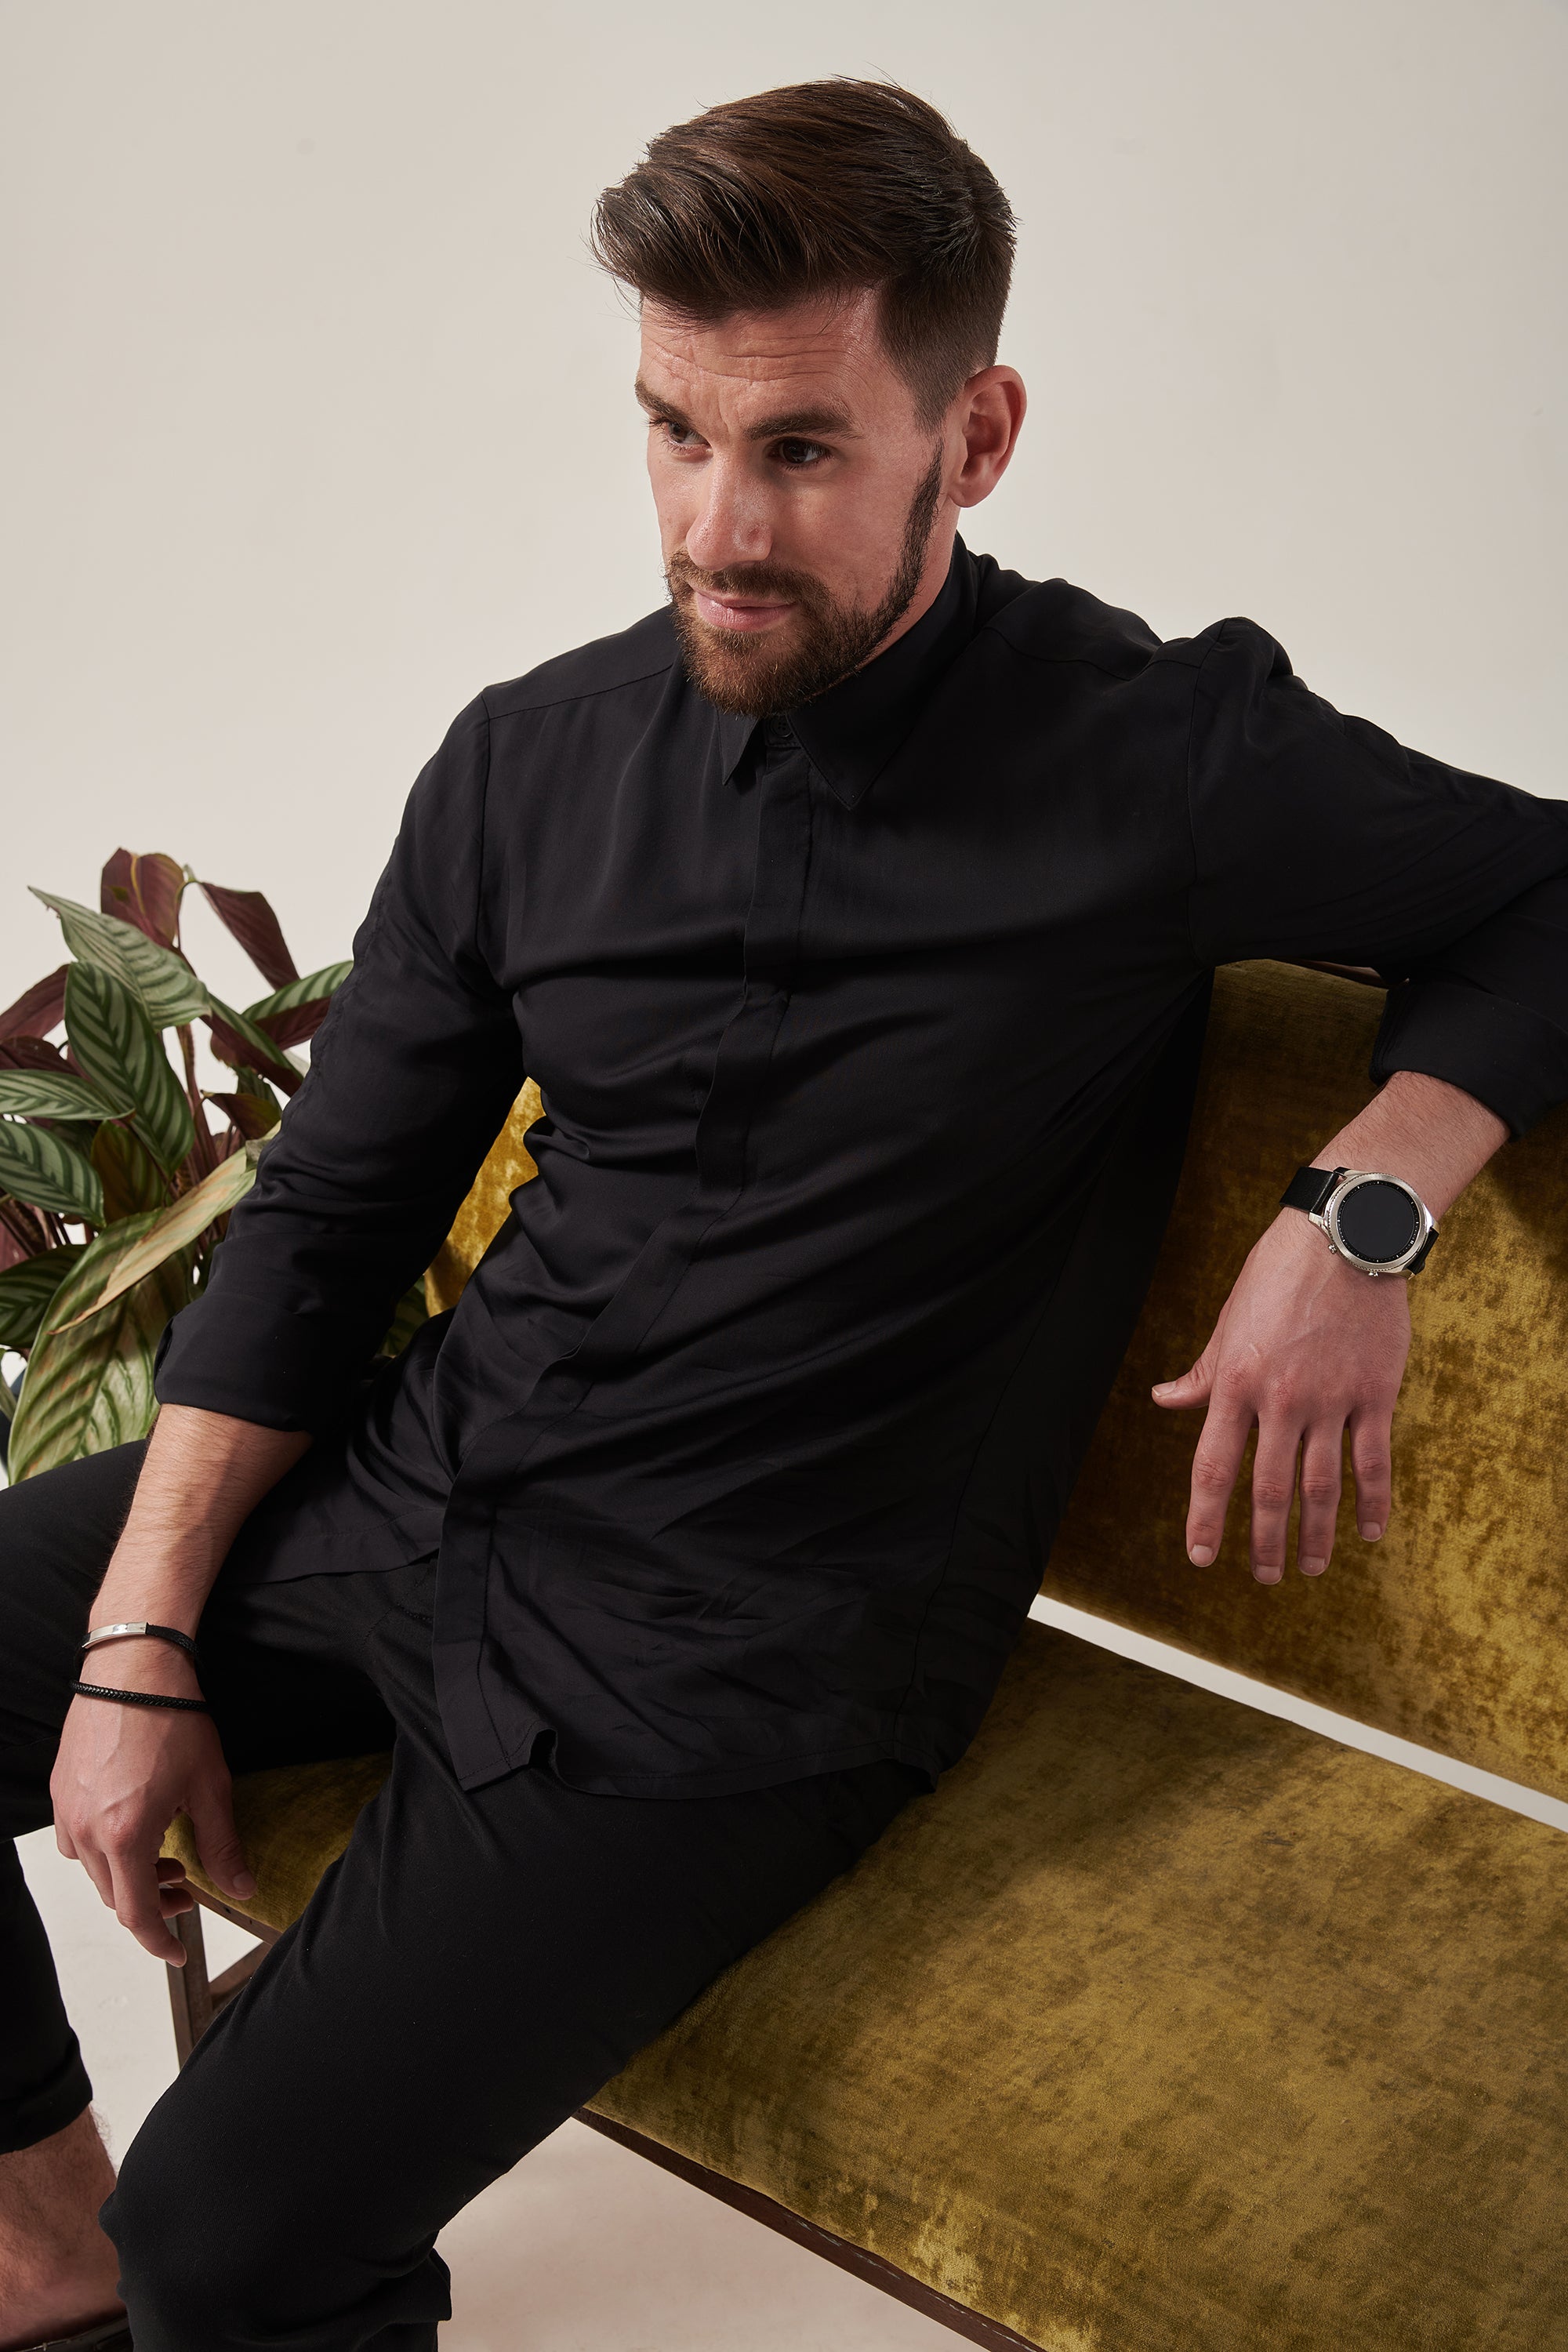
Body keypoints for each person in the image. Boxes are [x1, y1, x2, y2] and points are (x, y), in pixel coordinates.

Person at [2, 77, 1565, 2352]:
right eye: (673, 433)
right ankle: (38, 2262)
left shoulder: (1161, 755)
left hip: (747, 1663)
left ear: (980, 429)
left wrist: (1362, 1212)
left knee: (234, 2239)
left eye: (802, 451)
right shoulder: (530, 762)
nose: (717, 523)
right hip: (431, 1497)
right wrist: (141, 1641)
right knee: (127, 2228)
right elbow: (332, 1227)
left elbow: (1546, 883)